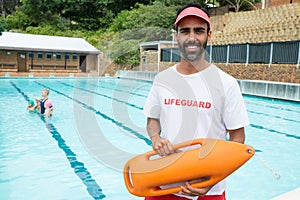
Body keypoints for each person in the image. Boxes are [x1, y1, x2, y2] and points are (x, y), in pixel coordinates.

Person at [142, 2, 249, 200]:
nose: (192, 38)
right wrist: (156, 139)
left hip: (208, 191)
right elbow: (152, 120)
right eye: (185, 31)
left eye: (199, 31)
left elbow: (238, 140)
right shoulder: (162, 80)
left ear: (209, 35)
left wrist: (213, 179)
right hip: (163, 183)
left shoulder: (227, 84)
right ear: (176, 35)